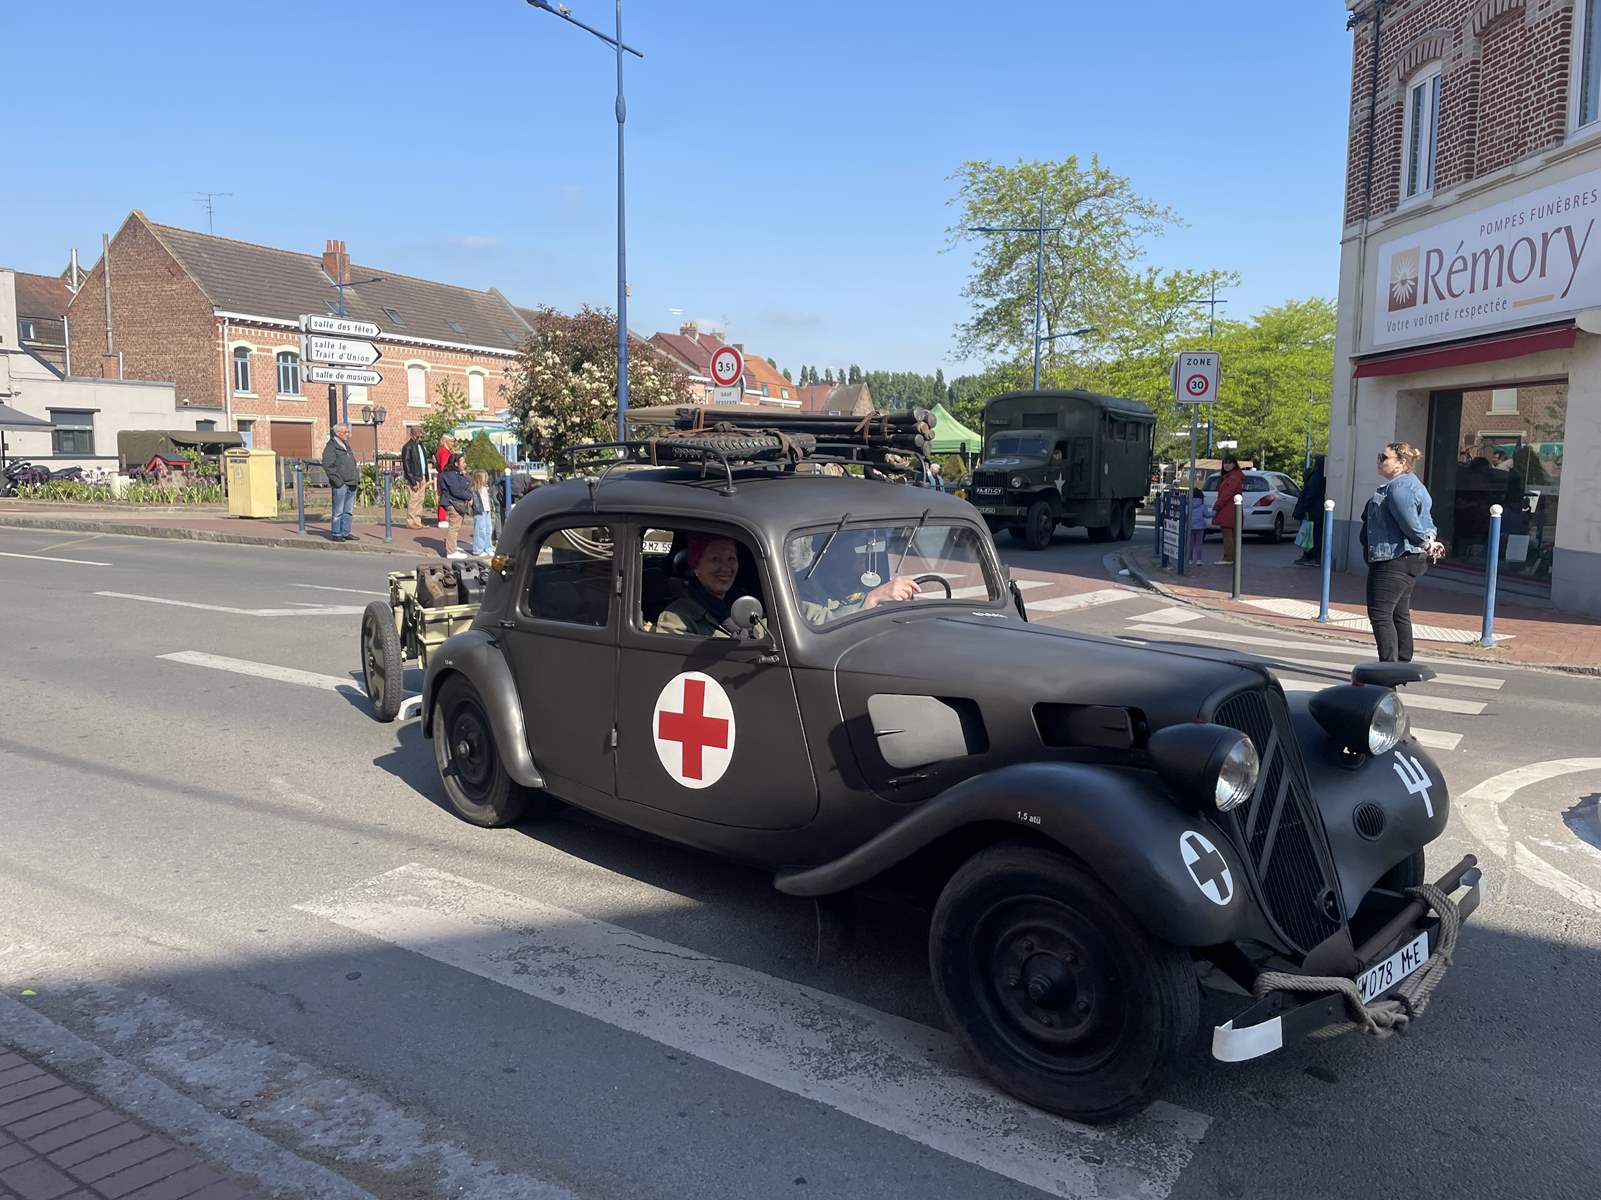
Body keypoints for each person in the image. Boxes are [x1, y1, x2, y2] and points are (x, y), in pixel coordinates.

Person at [1362, 441, 1446, 663]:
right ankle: (1402, 661)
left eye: (1384, 457)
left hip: (1393, 558)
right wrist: (1430, 540)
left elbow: (1408, 523)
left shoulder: (1398, 488)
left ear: (1401, 463)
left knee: (1380, 615)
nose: (1378, 461)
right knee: (1399, 612)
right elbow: (1427, 521)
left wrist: (1426, 543)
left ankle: (1388, 671)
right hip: (1407, 559)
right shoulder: (1414, 485)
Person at [656, 534, 766, 639]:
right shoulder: (676, 618)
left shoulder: (747, 604)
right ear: (696, 566)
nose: (725, 568)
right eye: (715, 559)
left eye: (731, 558)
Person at [321, 424, 360, 542]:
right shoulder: (331, 447)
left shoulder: (346, 446)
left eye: (348, 432)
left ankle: (345, 532)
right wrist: (339, 482)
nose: (348, 434)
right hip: (341, 484)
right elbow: (328, 465)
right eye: (346, 432)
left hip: (352, 483)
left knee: (348, 511)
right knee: (338, 511)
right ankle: (336, 533)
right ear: (338, 433)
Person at [436, 453, 473, 560]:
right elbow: (456, 490)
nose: (465, 464)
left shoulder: (454, 474)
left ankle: (452, 547)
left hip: (453, 502)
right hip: (453, 502)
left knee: (456, 526)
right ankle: (451, 551)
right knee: (454, 527)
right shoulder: (451, 475)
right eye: (463, 462)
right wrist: (469, 496)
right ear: (456, 463)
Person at [1293, 454, 1327, 567]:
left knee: (1312, 535)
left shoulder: (1316, 477)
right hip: (1317, 511)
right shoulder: (1322, 476)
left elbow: (1310, 493)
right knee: (1313, 535)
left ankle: (1312, 557)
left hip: (1313, 511)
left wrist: (1306, 508)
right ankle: (1310, 556)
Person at [1212, 456, 1245, 564]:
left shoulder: (1232, 478)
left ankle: (1229, 557)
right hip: (1232, 509)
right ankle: (1233, 557)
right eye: (1225, 463)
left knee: (1227, 534)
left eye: (1229, 463)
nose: (1226, 465)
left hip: (1228, 509)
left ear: (1234, 464)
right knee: (1232, 534)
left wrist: (1217, 506)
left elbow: (1226, 494)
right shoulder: (1233, 476)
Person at [401, 426, 430, 530]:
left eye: (420, 436)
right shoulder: (407, 447)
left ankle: (417, 521)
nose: (419, 438)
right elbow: (406, 464)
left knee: (420, 499)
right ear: (412, 435)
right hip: (414, 476)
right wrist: (412, 481)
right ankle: (410, 521)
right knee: (414, 499)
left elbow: (424, 462)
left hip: (421, 475)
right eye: (417, 436)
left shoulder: (421, 446)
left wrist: (426, 476)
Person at [470, 469, 494, 557]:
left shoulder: (486, 488)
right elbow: (472, 501)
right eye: (485, 477)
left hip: (487, 510)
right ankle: (478, 549)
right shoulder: (475, 490)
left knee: (488, 529)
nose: (487, 479)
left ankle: (488, 547)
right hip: (479, 511)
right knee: (480, 530)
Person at [434, 434, 455, 531]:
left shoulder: (441, 450)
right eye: (451, 441)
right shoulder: (444, 452)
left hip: (442, 477)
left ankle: (443, 518)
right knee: (444, 498)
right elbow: (443, 467)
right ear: (446, 441)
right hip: (445, 478)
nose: (453, 444)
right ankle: (442, 519)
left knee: (443, 497)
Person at [1188, 486, 1207, 566]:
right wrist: (1215, 512)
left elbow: (1184, 513)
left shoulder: (1188, 505)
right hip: (1200, 528)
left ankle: (1190, 559)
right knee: (1198, 544)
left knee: (1190, 544)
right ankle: (1199, 560)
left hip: (1190, 527)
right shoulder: (1203, 506)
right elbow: (1207, 514)